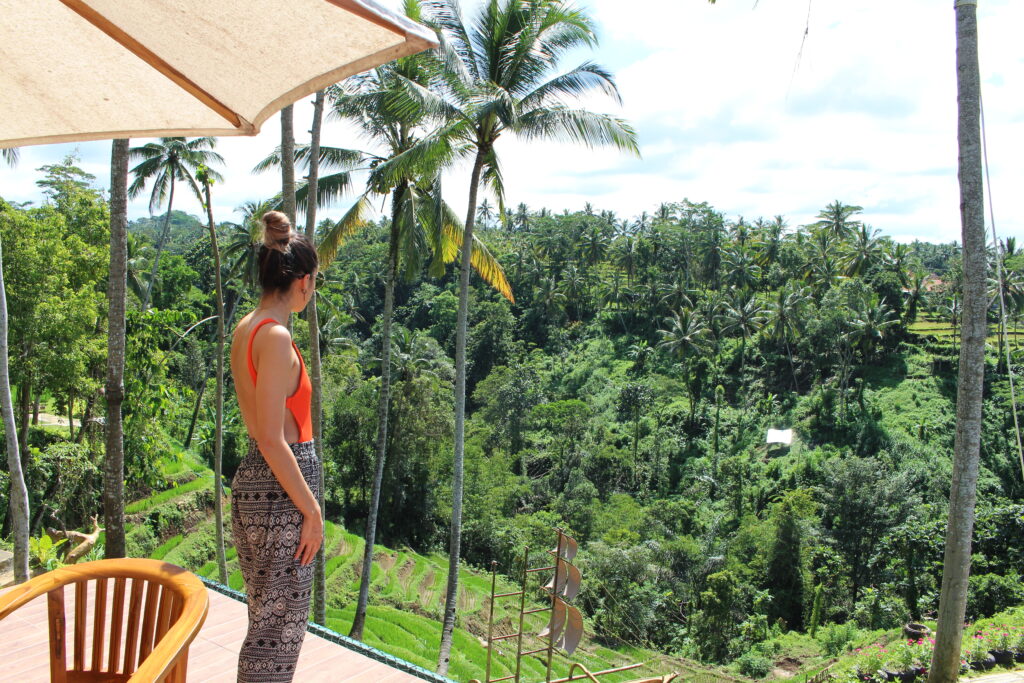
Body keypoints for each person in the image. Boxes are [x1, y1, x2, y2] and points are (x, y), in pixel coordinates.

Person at [229, 210, 323, 682]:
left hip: (254, 483)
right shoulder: (277, 336)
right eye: (315, 282)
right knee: (279, 629)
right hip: (280, 491)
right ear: (302, 282)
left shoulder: (247, 327)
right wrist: (311, 510)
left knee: (265, 621)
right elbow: (272, 436)